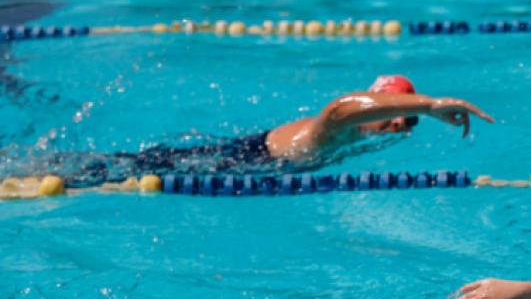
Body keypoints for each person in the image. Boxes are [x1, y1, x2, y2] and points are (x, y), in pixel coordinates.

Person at [13, 75, 493, 187]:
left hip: (254, 160)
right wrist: (430, 106)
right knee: (107, 173)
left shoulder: (370, 133)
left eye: (406, 121)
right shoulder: (345, 125)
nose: (398, 125)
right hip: (242, 161)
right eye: (394, 113)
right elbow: (339, 108)